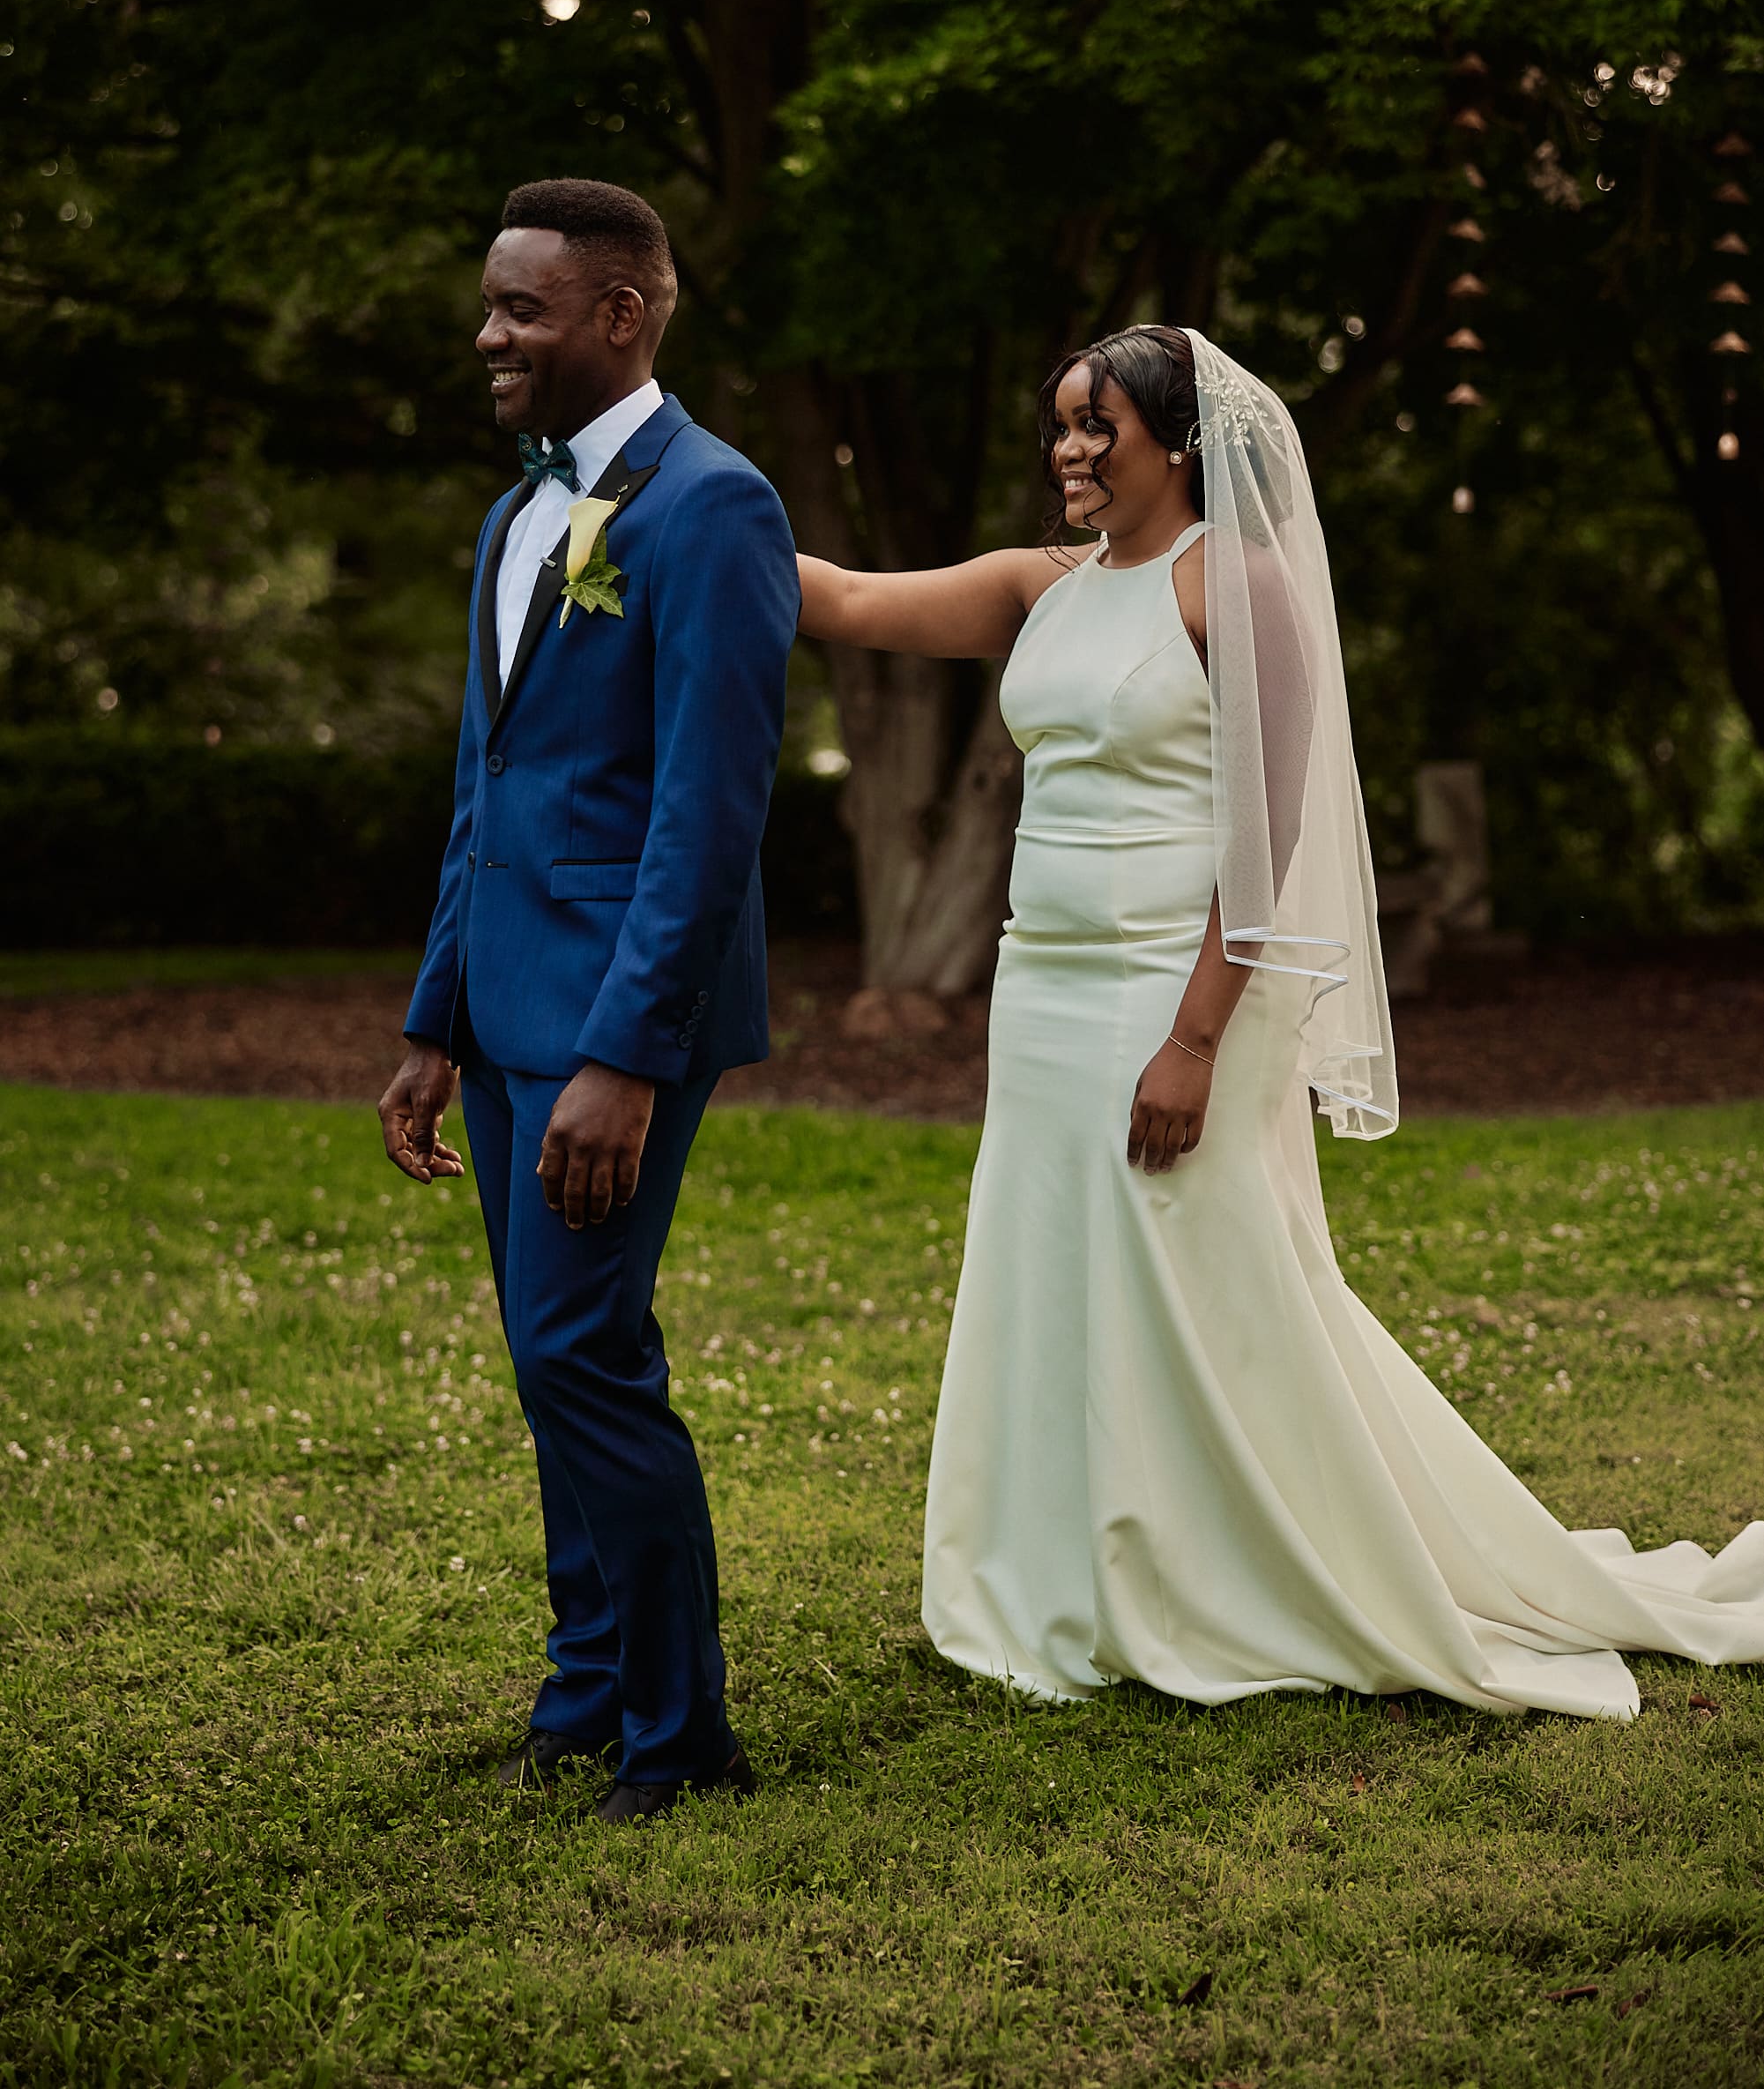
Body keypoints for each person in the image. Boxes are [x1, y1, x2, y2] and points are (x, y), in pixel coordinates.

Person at [797, 323, 1764, 1719]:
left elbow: (1268, 842)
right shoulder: (1042, 585)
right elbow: (837, 597)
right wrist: (662, 502)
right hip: (1046, 990)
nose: (1069, 449)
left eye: (1098, 427)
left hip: (1175, 1001)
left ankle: (1251, 1566)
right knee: (1058, 1269)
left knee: (1210, 1283)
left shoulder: (1234, 588)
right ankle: (1069, 1569)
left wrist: (1190, 1042)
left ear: (1176, 445)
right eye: (1061, 424)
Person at [379, 178, 797, 1814]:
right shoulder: (512, 517)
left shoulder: (715, 507)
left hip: (621, 1022)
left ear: (620, 315)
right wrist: (434, 1018)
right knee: (554, 1351)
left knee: (580, 1353)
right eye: (491, 304)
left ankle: (683, 1742)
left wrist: (625, 1054)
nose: (489, 333)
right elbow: (482, 789)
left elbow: (710, 810)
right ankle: (586, 1689)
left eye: (522, 310)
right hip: (499, 1009)